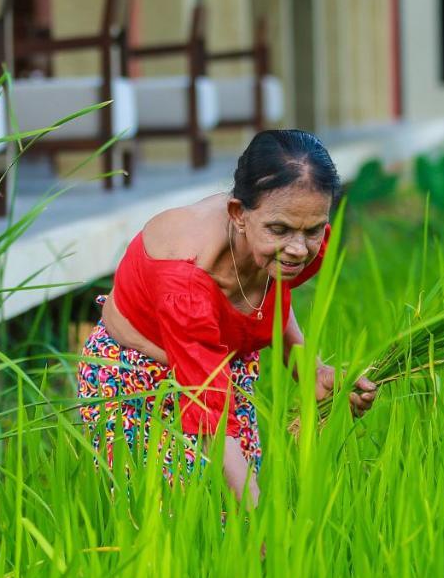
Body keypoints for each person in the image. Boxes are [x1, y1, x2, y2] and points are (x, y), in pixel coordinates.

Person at [75, 129, 377, 506]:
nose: (299, 249)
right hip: (137, 380)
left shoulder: (286, 236)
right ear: (239, 214)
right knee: (188, 513)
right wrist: (262, 530)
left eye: (313, 229)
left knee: (231, 501)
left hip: (219, 367)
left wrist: (308, 366)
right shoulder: (189, 274)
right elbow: (211, 424)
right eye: (280, 230)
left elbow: (270, 292)